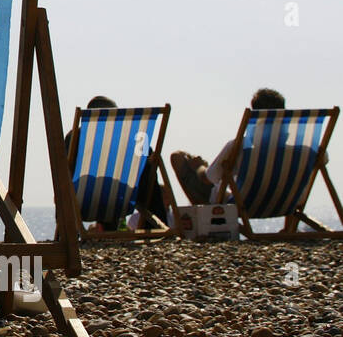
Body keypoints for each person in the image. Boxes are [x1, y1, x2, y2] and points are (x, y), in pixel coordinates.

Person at [170, 88, 314, 233]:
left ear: (255, 116)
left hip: (243, 205)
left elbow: (208, 178)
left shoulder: (237, 147)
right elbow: (322, 160)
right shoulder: (306, 151)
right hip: (285, 204)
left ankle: (211, 225)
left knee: (178, 158)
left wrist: (200, 166)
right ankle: (289, 229)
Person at [66, 95, 170, 232]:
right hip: (122, 198)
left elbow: (64, 171)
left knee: (87, 183)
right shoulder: (133, 137)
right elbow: (148, 157)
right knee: (147, 170)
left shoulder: (75, 137)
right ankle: (156, 230)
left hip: (85, 199)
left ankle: (67, 233)